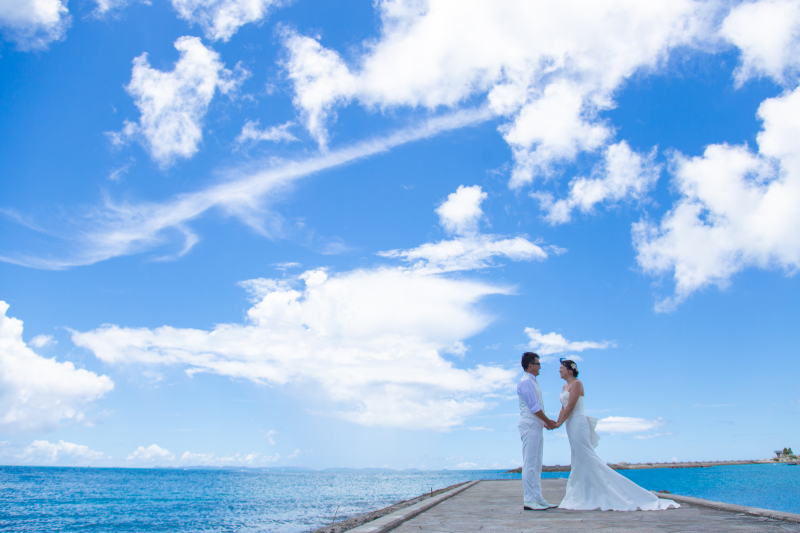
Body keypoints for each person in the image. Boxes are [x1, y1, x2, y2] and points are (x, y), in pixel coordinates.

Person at [554, 358, 680, 511]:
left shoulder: (577, 384)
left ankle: (608, 492)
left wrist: (558, 423)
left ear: (570, 369)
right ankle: (581, 493)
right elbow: (563, 408)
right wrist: (555, 423)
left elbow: (571, 407)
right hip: (570, 424)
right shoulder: (564, 386)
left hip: (579, 423)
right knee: (577, 458)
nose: (559, 370)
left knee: (586, 456)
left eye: (561, 367)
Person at [517, 352, 557, 511]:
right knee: (530, 462)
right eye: (538, 363)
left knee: (537, 463)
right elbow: (533, 407)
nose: (540, 366)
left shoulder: (532, 382)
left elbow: (536, 408)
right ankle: (529, 499)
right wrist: (548, 422)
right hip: (529, 425)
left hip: (536, 425)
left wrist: (545, 423)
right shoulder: (526, 382)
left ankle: (538, 498)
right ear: (530, 365)